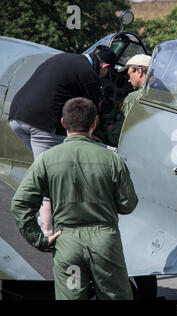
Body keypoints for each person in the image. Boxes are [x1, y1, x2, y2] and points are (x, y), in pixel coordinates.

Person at [10, 97, 138, 300]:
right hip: (105, 243)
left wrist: (40, 240)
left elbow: (20, 204)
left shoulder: (46, 159)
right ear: (94, 124)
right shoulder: (112, 159)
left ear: (63, 123)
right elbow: (128, 204)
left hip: (66, 242)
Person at [8, 45, 117, 237]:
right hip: (42, 124)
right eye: (106, 72)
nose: (104, 76)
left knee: (45, 167)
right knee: (52, 176)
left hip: (16, 117)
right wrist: (91, 136)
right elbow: (90, 114)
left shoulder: (64, 58)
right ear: (105, 65)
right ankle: (48, 231)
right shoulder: (89, 75)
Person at [107, 54, 151, 146]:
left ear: (139, 71)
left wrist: (110, 131)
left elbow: (116, 137)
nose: (129, 81)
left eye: (129, 75)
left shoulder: (133, 97)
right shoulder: (168, 95)